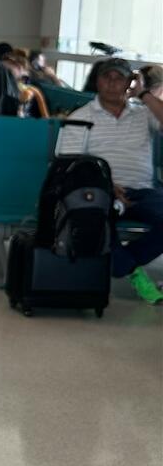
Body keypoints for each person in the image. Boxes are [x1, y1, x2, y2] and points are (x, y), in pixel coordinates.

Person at [56, 59, 163, 304]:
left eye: (119, 78)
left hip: (142, 190)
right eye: (107, 77)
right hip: (98, 190)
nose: (112, 82)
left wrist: (144, 94)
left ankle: (126, 263)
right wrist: (105, 185)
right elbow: (68, 164)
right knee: (93, 220)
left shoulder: (144, 113)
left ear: (129, 83)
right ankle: (132, 271)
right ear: (97, 81)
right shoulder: (80, 116)